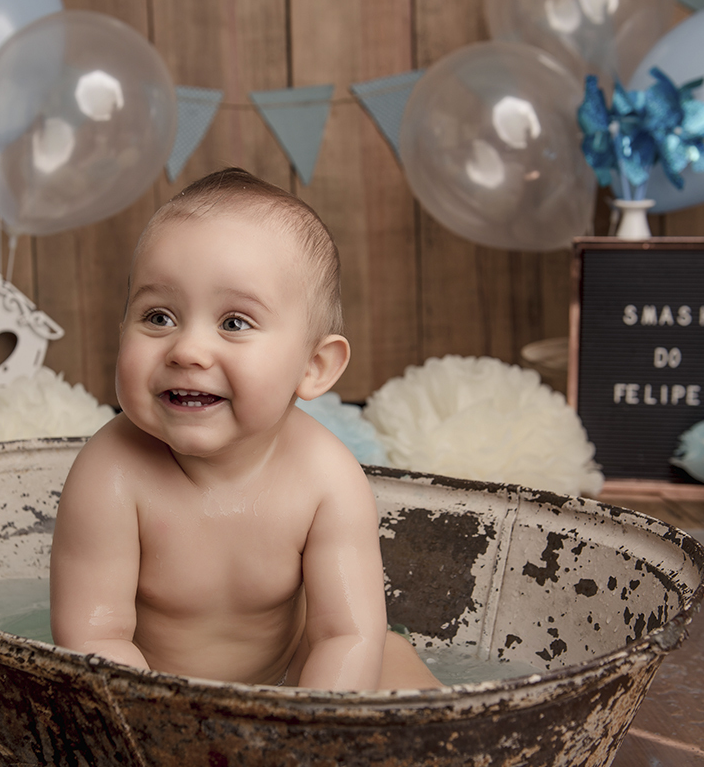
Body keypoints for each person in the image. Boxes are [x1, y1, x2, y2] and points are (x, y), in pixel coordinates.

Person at [49, 168, 441, 691]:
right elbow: (94, 639)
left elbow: (343, 635)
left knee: (388, 657)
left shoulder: (326, 479)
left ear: (314, 366)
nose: (186, 350)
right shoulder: (111, 474)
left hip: (292, 685)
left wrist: (307, 738)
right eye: (159, 316)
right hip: (155, 701)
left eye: (234, 322)